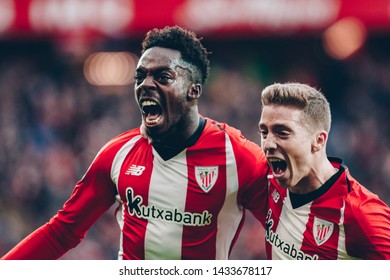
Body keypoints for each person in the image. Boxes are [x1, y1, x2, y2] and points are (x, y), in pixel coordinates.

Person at [1, 25, 270, 260]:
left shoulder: (239, 156)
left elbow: (285, 232)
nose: (145, 85)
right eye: (140, 76)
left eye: (163, 77)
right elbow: (62, 232)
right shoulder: (118, 153)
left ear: (193, 91)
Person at [257, 82, 390, 259]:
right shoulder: (266, 177)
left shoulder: (360, 213)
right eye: (264, 132)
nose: (267, 144)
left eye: (282, 133)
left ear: (318, 141)